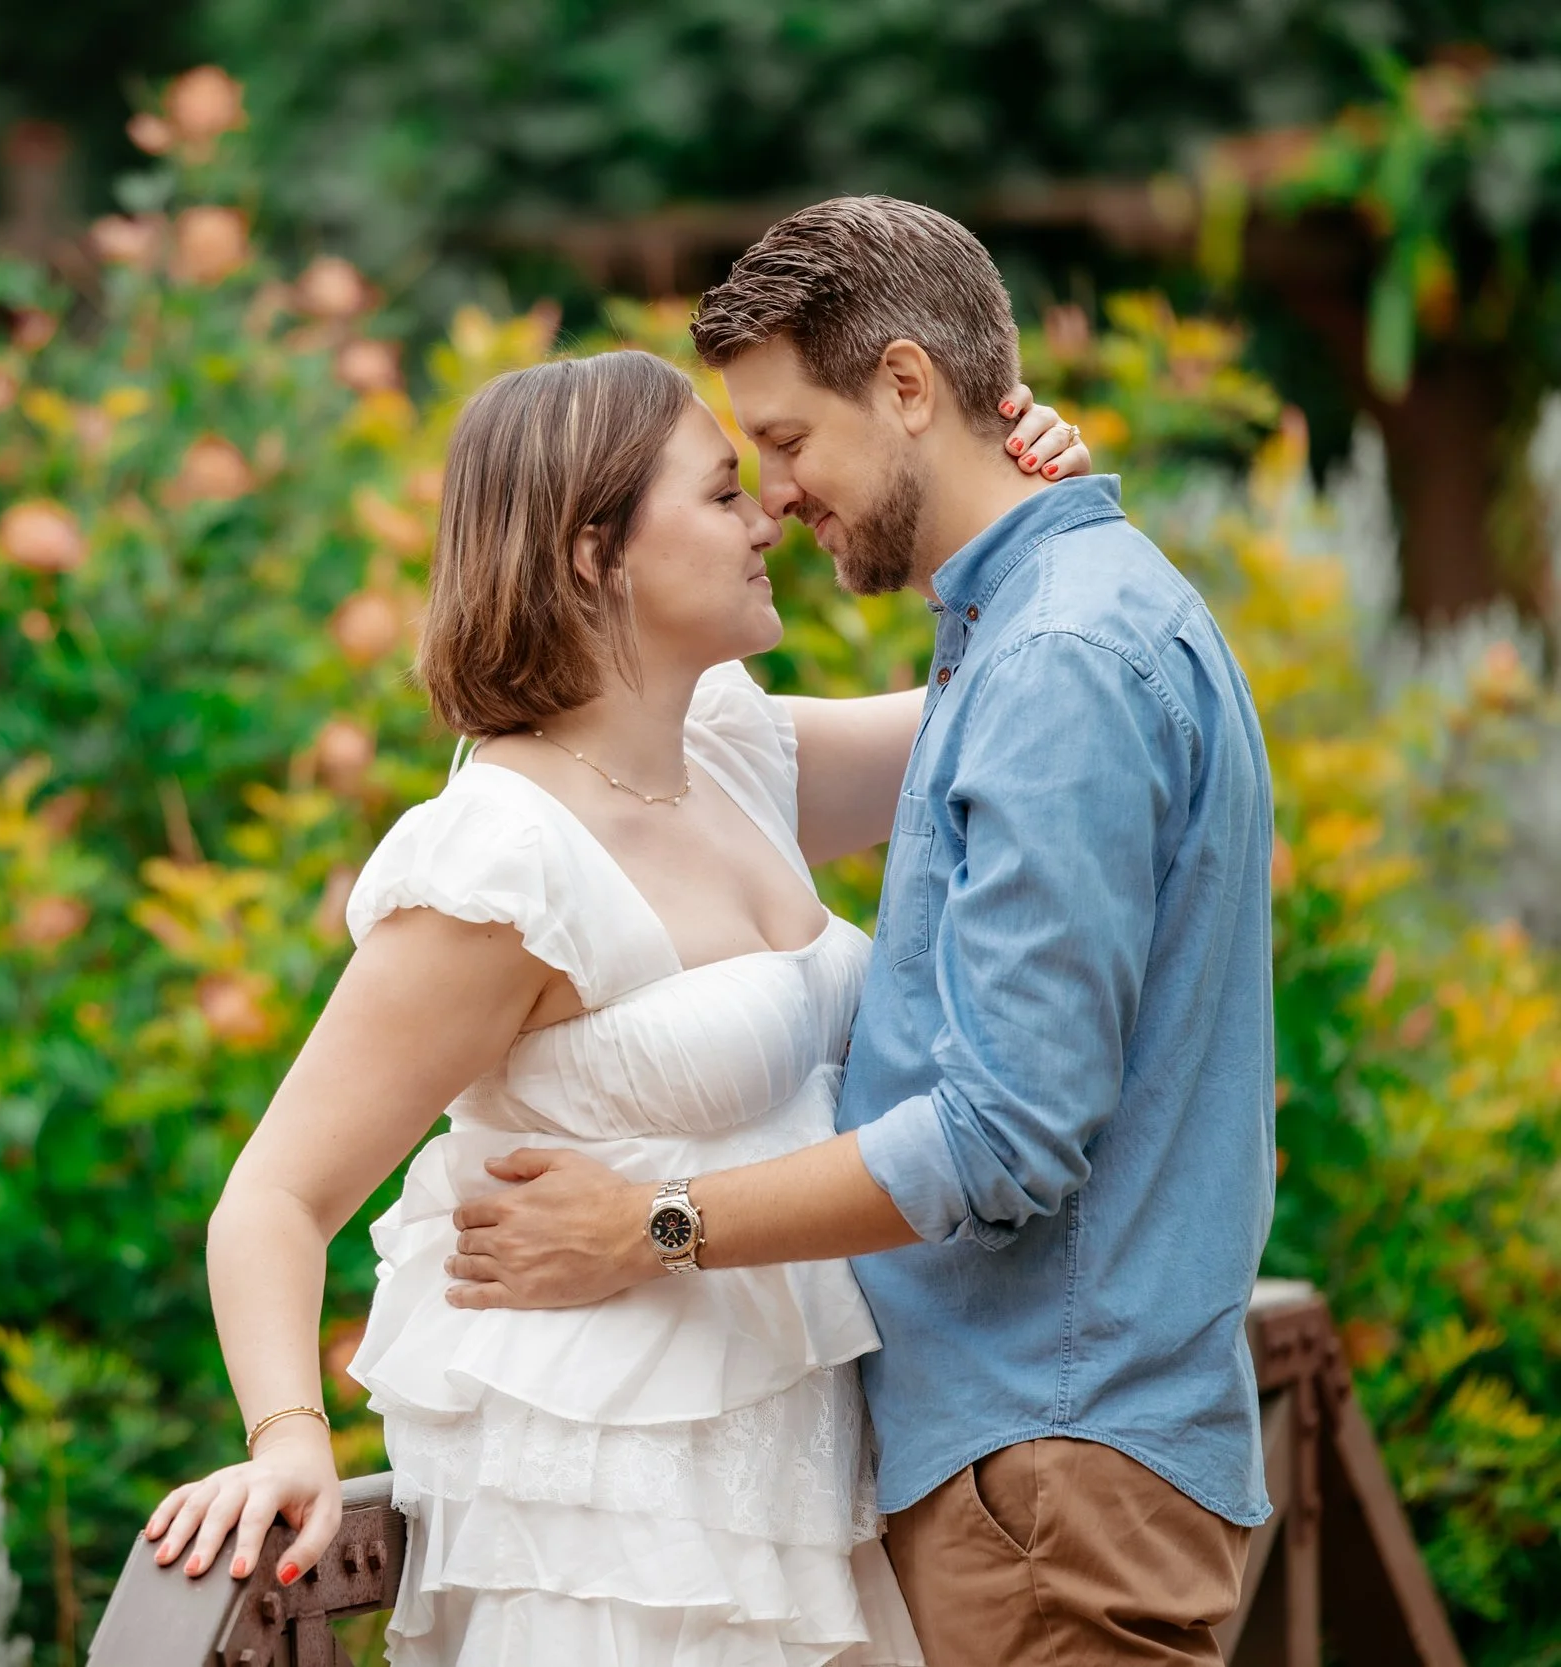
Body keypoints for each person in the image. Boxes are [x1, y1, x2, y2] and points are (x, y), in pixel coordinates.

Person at [142, 327, 1094, 1659]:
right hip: (606, 1546)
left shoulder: (731, 752)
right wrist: (288, 1433)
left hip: (798, 1496)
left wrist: (1020, 501)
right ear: (596, 552)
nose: (766, 515)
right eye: (718, 491)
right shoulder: (503, 862)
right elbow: (277, 1195)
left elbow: (1025, 704)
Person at [441, 197, 1277, 1665]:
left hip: (1048, 1470)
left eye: (782, 443)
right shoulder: (1044, 629)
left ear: (904, 387)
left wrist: (656, 1223)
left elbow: (1003, 1132)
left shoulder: (1058, 660)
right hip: (1040, 1460)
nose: (775, 500)